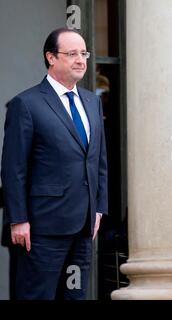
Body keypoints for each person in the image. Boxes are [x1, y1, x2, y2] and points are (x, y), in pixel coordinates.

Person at [1, 28, 108, 300]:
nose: (81, 60)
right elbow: (14, 169)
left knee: (74, 296)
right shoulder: (25, 104)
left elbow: (99, 161)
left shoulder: (92, 102)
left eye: (83, 53)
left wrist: (98, 210)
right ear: (50, 57)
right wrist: (18, 219)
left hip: (83, 227)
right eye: (71, 54)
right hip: (41, 229)